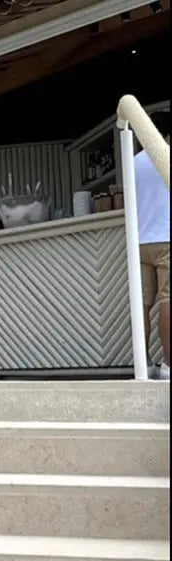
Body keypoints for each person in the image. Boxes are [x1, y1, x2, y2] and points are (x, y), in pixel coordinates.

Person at [135, 110, 170, 379]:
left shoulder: (132, 162)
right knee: (169, 301)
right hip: (167, 238)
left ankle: (144, 365)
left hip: (139, 241)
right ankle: (169, 366)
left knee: (143, 305)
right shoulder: (166, 157)